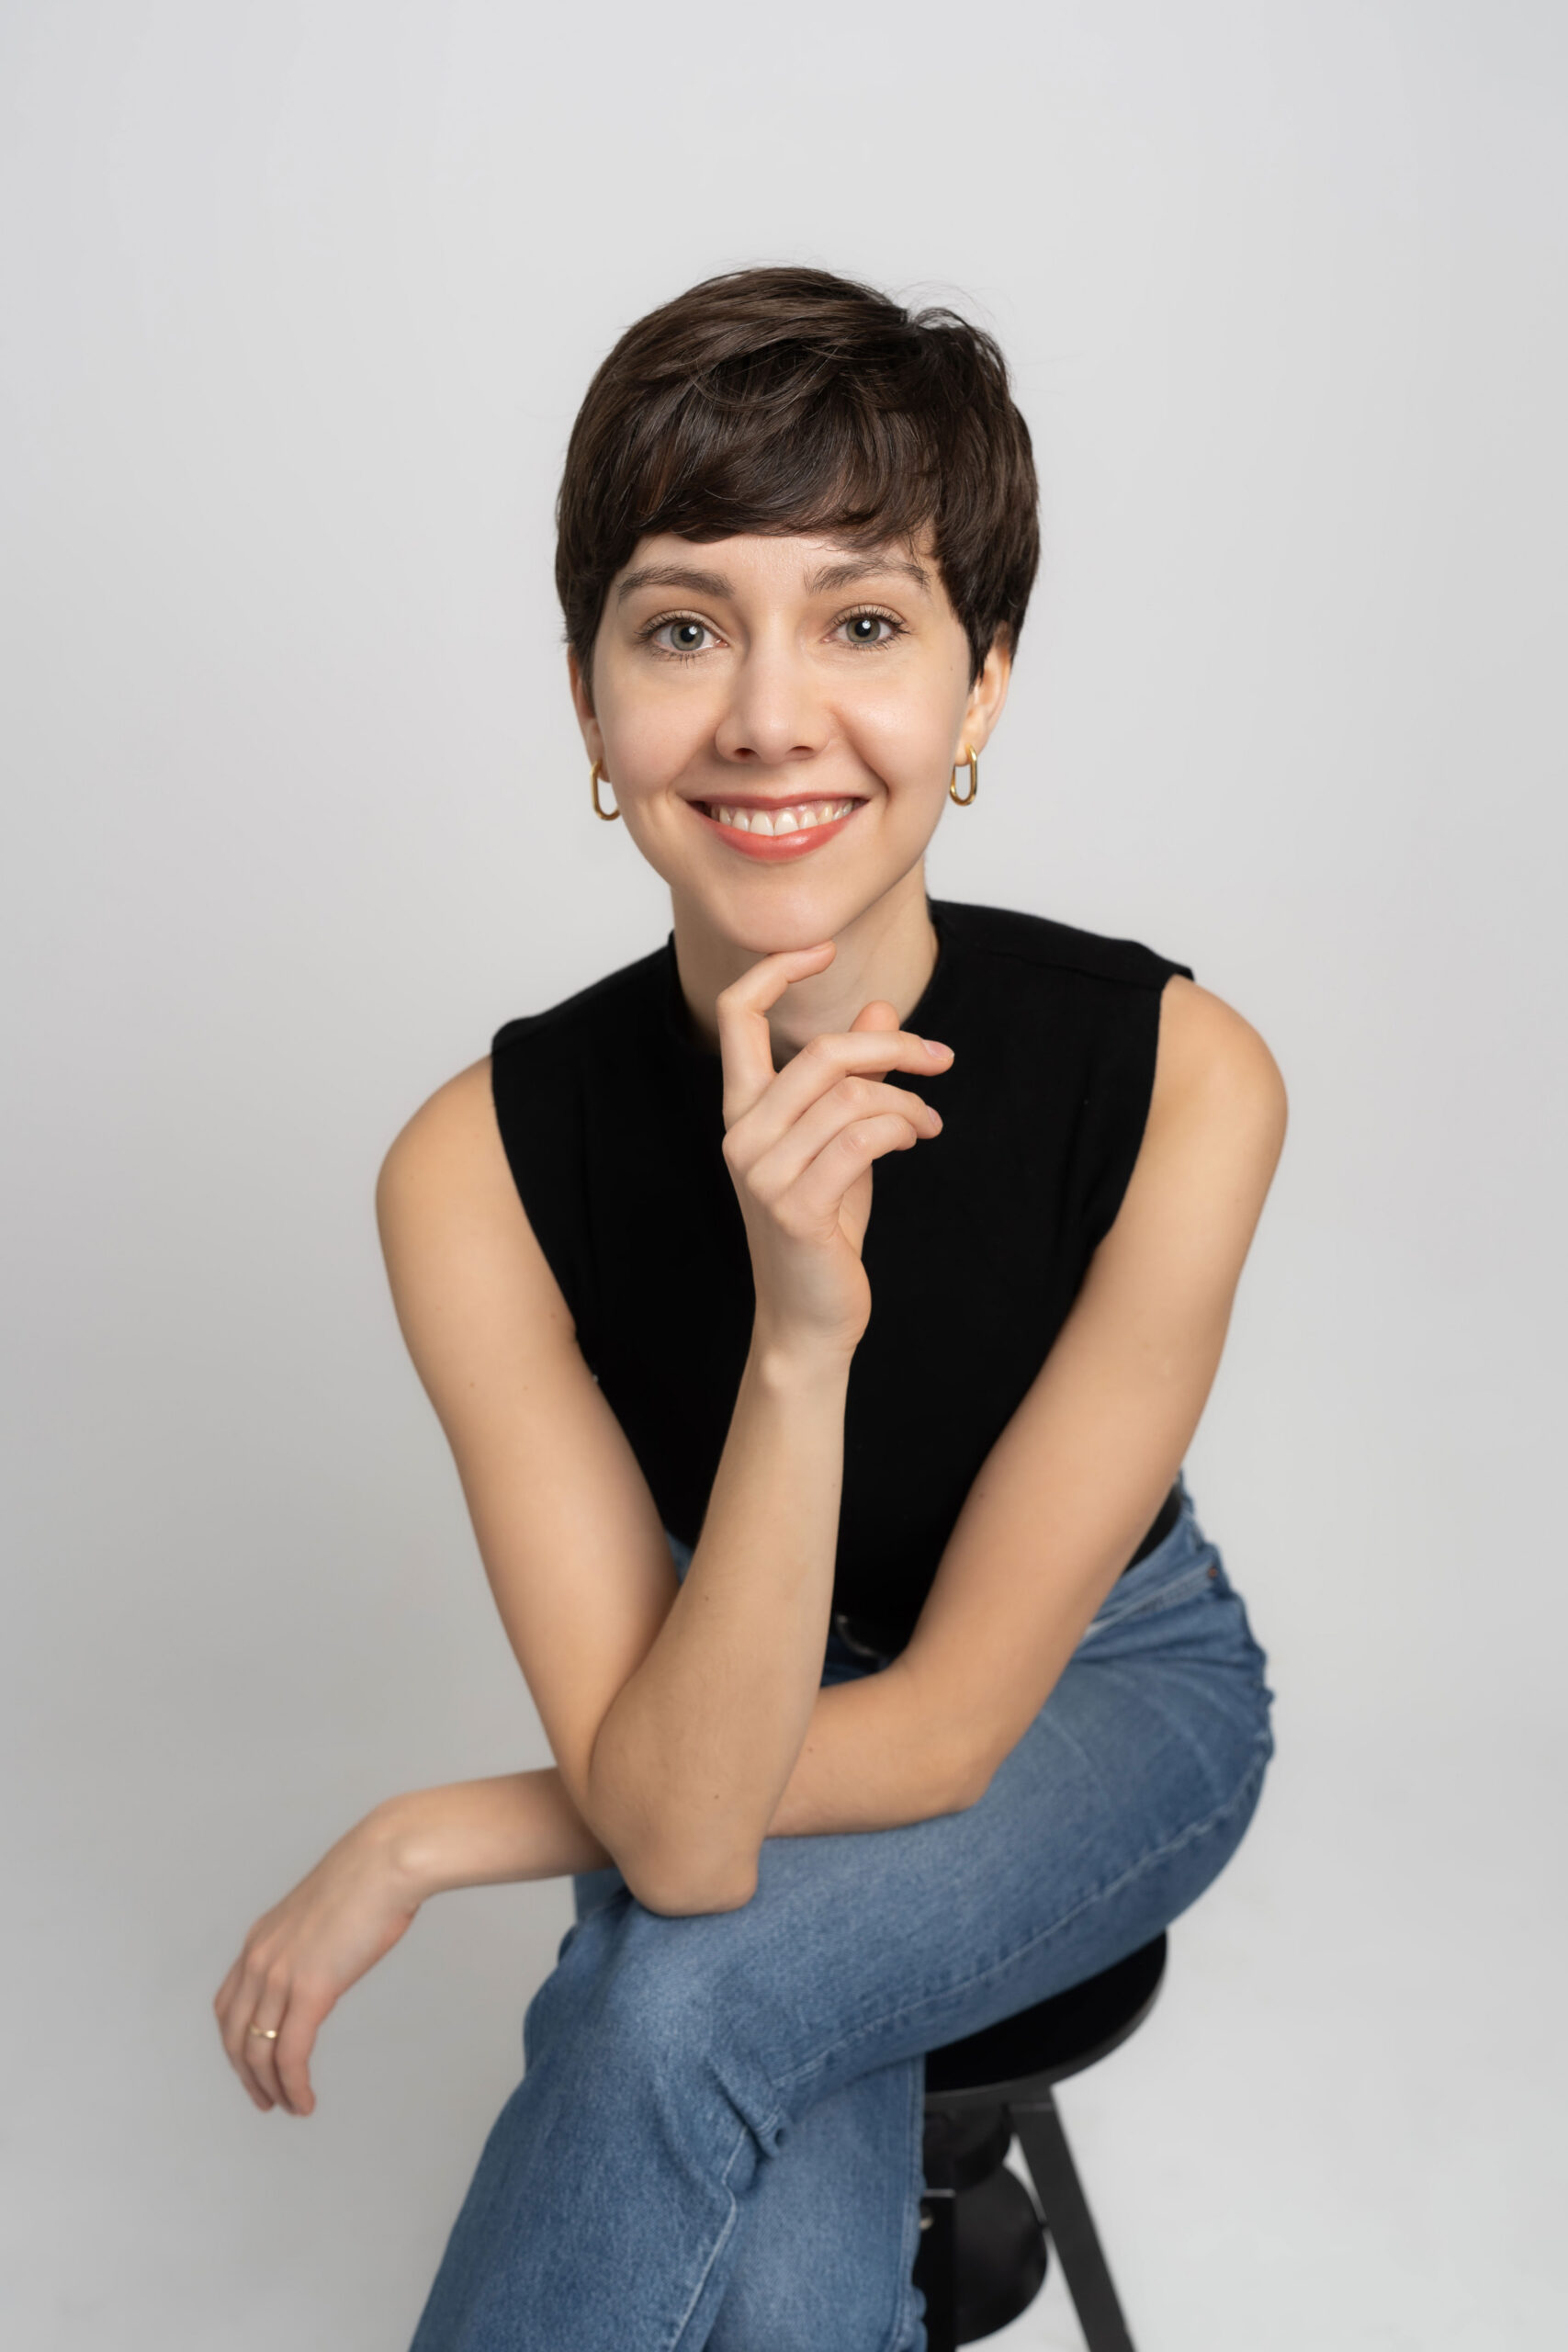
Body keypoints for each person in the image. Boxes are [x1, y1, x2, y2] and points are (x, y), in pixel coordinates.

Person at [213, 266, 1285, 2351]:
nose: (768, 717)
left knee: (675, 1997)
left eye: (863, 623)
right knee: (734, 2115)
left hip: (1097, 1689)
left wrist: (430, 1833)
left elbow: (866, 1757)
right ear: (590, 701)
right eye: (683, 626)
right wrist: (798, 1341)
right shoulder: (473, 1167)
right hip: (724, 1678)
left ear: (980, 692)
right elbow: (690, 1819)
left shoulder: (1178, 1077)